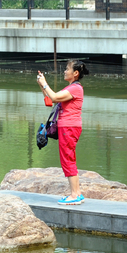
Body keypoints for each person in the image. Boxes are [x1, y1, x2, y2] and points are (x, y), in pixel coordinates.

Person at [37, 59, 90, 205]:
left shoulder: (75, 89)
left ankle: (75, 195)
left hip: (69, 127)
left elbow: (54, 97)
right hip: (67, 127)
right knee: (68, 158)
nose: (65, 71)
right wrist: (42, 85)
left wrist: (45, 83)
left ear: (75, 73)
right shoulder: (71, 88)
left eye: (67, 69)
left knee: (68, 159)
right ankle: (76, 193)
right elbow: (50, 101)